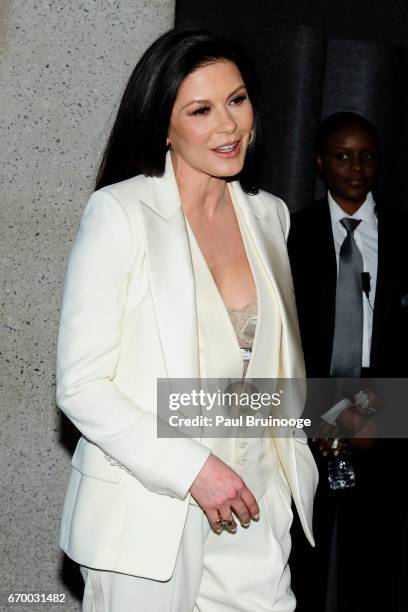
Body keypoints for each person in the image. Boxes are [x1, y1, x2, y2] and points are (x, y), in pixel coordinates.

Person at [56, 28, 318, 612]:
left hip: (256, 508)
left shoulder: (270, 215)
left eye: (237, 99)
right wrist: (195, 468)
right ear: (164, 126)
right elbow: (81, 386)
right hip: (148, 514)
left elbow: (267, 378)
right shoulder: (120, 213)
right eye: (201, 109)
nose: (228, 126)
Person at [288, 112, 408, 612]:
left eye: (367, 156)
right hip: (308, 418)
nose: (356, 167)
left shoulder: (403, 234)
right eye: (342, 155)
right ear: (320, 162)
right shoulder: (292, 233)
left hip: (383, 416)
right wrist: (325, 411)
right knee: (302, 562)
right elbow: (283, 336)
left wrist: (373, 410)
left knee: (374, 566)